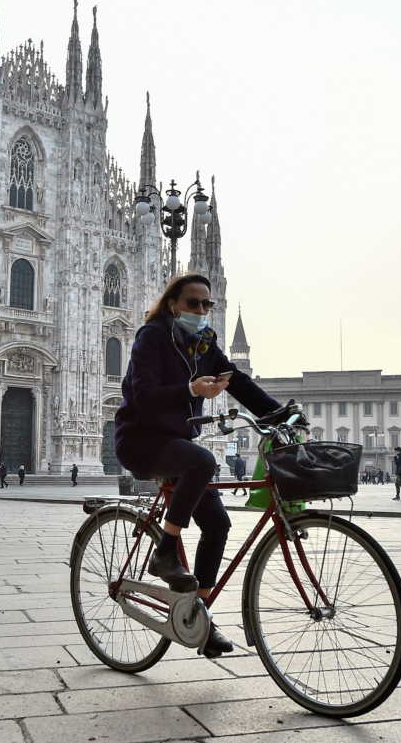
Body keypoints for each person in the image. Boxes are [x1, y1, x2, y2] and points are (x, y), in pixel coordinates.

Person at [114, 273, 281, 659]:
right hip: (140, 440)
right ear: (173, 303)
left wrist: (281, 413)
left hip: (176, 442)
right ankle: (165, 550)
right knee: (202, 460)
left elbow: (235, 380)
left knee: (219, 523)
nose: (202, 310)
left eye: (208, 304)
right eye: (194, 303)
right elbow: (143, 395)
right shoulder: (152, 336)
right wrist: (190, 389)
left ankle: (198, 617)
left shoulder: (204, 343)